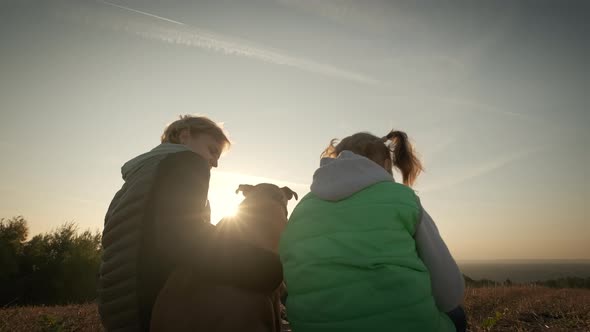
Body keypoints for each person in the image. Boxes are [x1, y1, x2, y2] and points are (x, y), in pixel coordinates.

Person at [97, 115, 283, 331]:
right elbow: (183, 239)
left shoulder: (136, 178)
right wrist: (269, 268)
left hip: (119, 311)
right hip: (156, 304)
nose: (215, 162)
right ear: (185, 136)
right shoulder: (187, 161)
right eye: (212, 150)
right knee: (261, 277)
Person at [279, 130, 466, 332]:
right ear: (387, 164)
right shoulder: (403, 198)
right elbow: (450, 293)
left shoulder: (301, 209)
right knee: (456, 315)